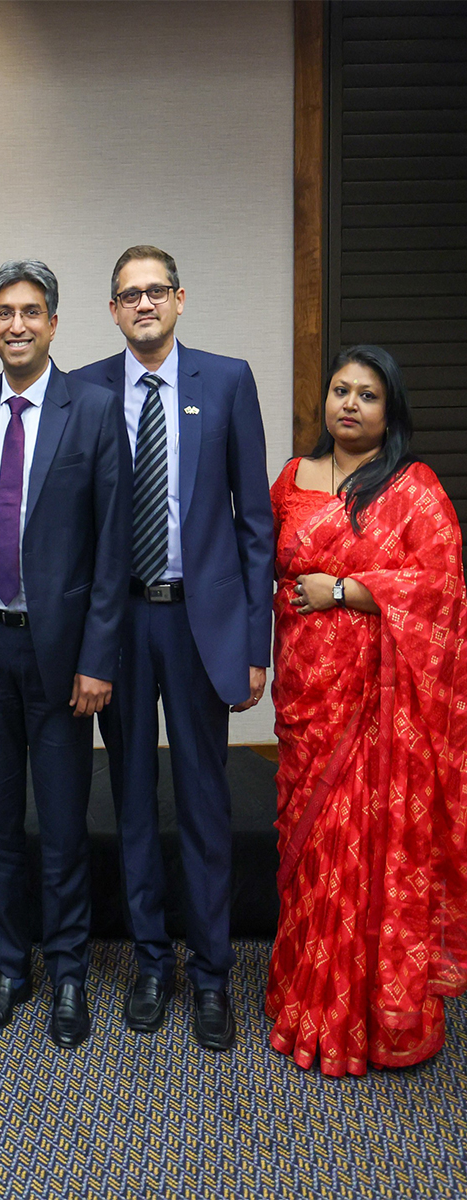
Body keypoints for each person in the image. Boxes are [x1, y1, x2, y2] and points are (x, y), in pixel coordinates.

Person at [71, 245, 273, 1052]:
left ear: (180, 299)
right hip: (120, 626)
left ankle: (214, 973)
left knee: (203, 803)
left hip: (200, 624)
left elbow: (255, 523)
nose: (144, 304)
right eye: (129, 294)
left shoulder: (226, 380)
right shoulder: (85, 388)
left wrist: (257, 642)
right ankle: (153, 963)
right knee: (129, 799)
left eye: (156, 291)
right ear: (113, 310)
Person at [267, 345, 467, 1076]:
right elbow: (260, 563)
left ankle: (364, 1013)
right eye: (341, 391)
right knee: (311, 847)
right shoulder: (291, 480)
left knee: (368, 848)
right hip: (306, 697)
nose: (350, 404)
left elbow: (441, 593)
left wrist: (345, 591)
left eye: (369, 395)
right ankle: (304, 996)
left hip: (380, 710)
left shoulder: (416, 490)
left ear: (392, 411)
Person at [0, 260, 130, 1049]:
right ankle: (8, 969)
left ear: (55, 323)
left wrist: (99, 658)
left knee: (60, 825)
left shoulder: (91, 410)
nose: (15, 324)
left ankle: (66, 977)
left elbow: (112, 548)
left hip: (64, 660)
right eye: (2, 312)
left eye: (30, 312)